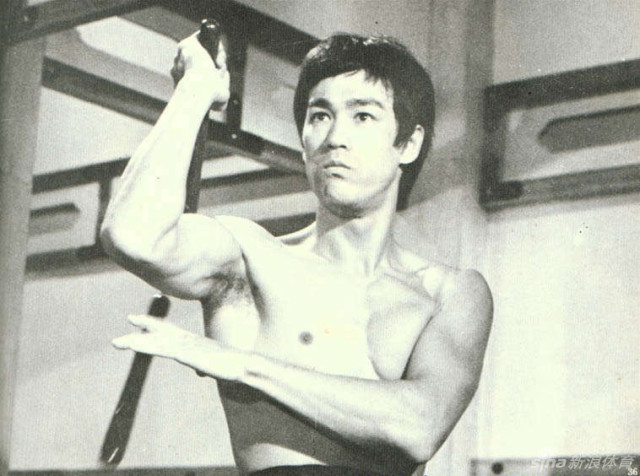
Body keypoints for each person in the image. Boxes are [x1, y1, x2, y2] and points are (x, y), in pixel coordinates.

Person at [100, 32, 493, 476]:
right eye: (320, 115)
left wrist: (241, 366)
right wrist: (194, 90)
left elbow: (420, 426)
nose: (335, 137)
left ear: (409, 143)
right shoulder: (250, 260)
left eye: (363, 116)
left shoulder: (449, 292)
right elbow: (131, 236)